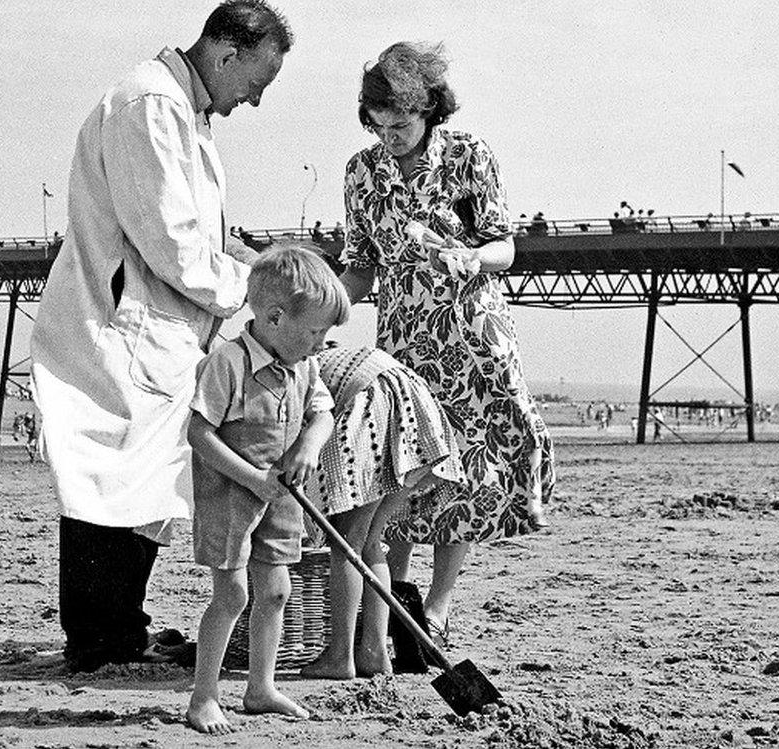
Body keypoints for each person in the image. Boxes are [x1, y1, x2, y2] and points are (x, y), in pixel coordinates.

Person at [29, 0, 293, 674]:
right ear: (227, 53)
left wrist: (259, 261)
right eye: (257, 83)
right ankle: (99, 641)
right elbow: (171, 243)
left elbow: (196, 233)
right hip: (125, 325)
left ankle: (121, 627)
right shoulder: (149, 104)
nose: (257, 101)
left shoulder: (181, 108)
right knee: (111, 479)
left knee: (143, 480)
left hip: (159, 329)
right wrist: (252, 290)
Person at [338, 42, 555, 646]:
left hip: (471, 340)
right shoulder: (361, 172)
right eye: (378, 126)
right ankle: (393, 605)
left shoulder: (468, 156)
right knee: (402, 468)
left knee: (465, 469)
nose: (390, 137)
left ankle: (437, 607)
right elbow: (360, 268)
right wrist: (317, 301)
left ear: (430, 109)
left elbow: (503, 246)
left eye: (401, 124)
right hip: (405, 341)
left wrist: (469, 256)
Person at [186, 247, 348, 734]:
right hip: (232, 497)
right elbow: (199, 433)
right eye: (316, 331)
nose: (321, 343)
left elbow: (322, 414)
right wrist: (254, 479)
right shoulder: (228, 363)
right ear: (275, 317)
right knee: (232, 596)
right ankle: (204, 697)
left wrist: (308, 449)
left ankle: (261, 688)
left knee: (275, 591)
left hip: (281, 496)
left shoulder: (304, 366)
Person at [300, 344, 466, 680]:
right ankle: (374, 652)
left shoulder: (291, 367)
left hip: (374, 406)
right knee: (371, 540)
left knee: (347, 542)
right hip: (411, 406)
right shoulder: (316, 353)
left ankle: (339, 656)